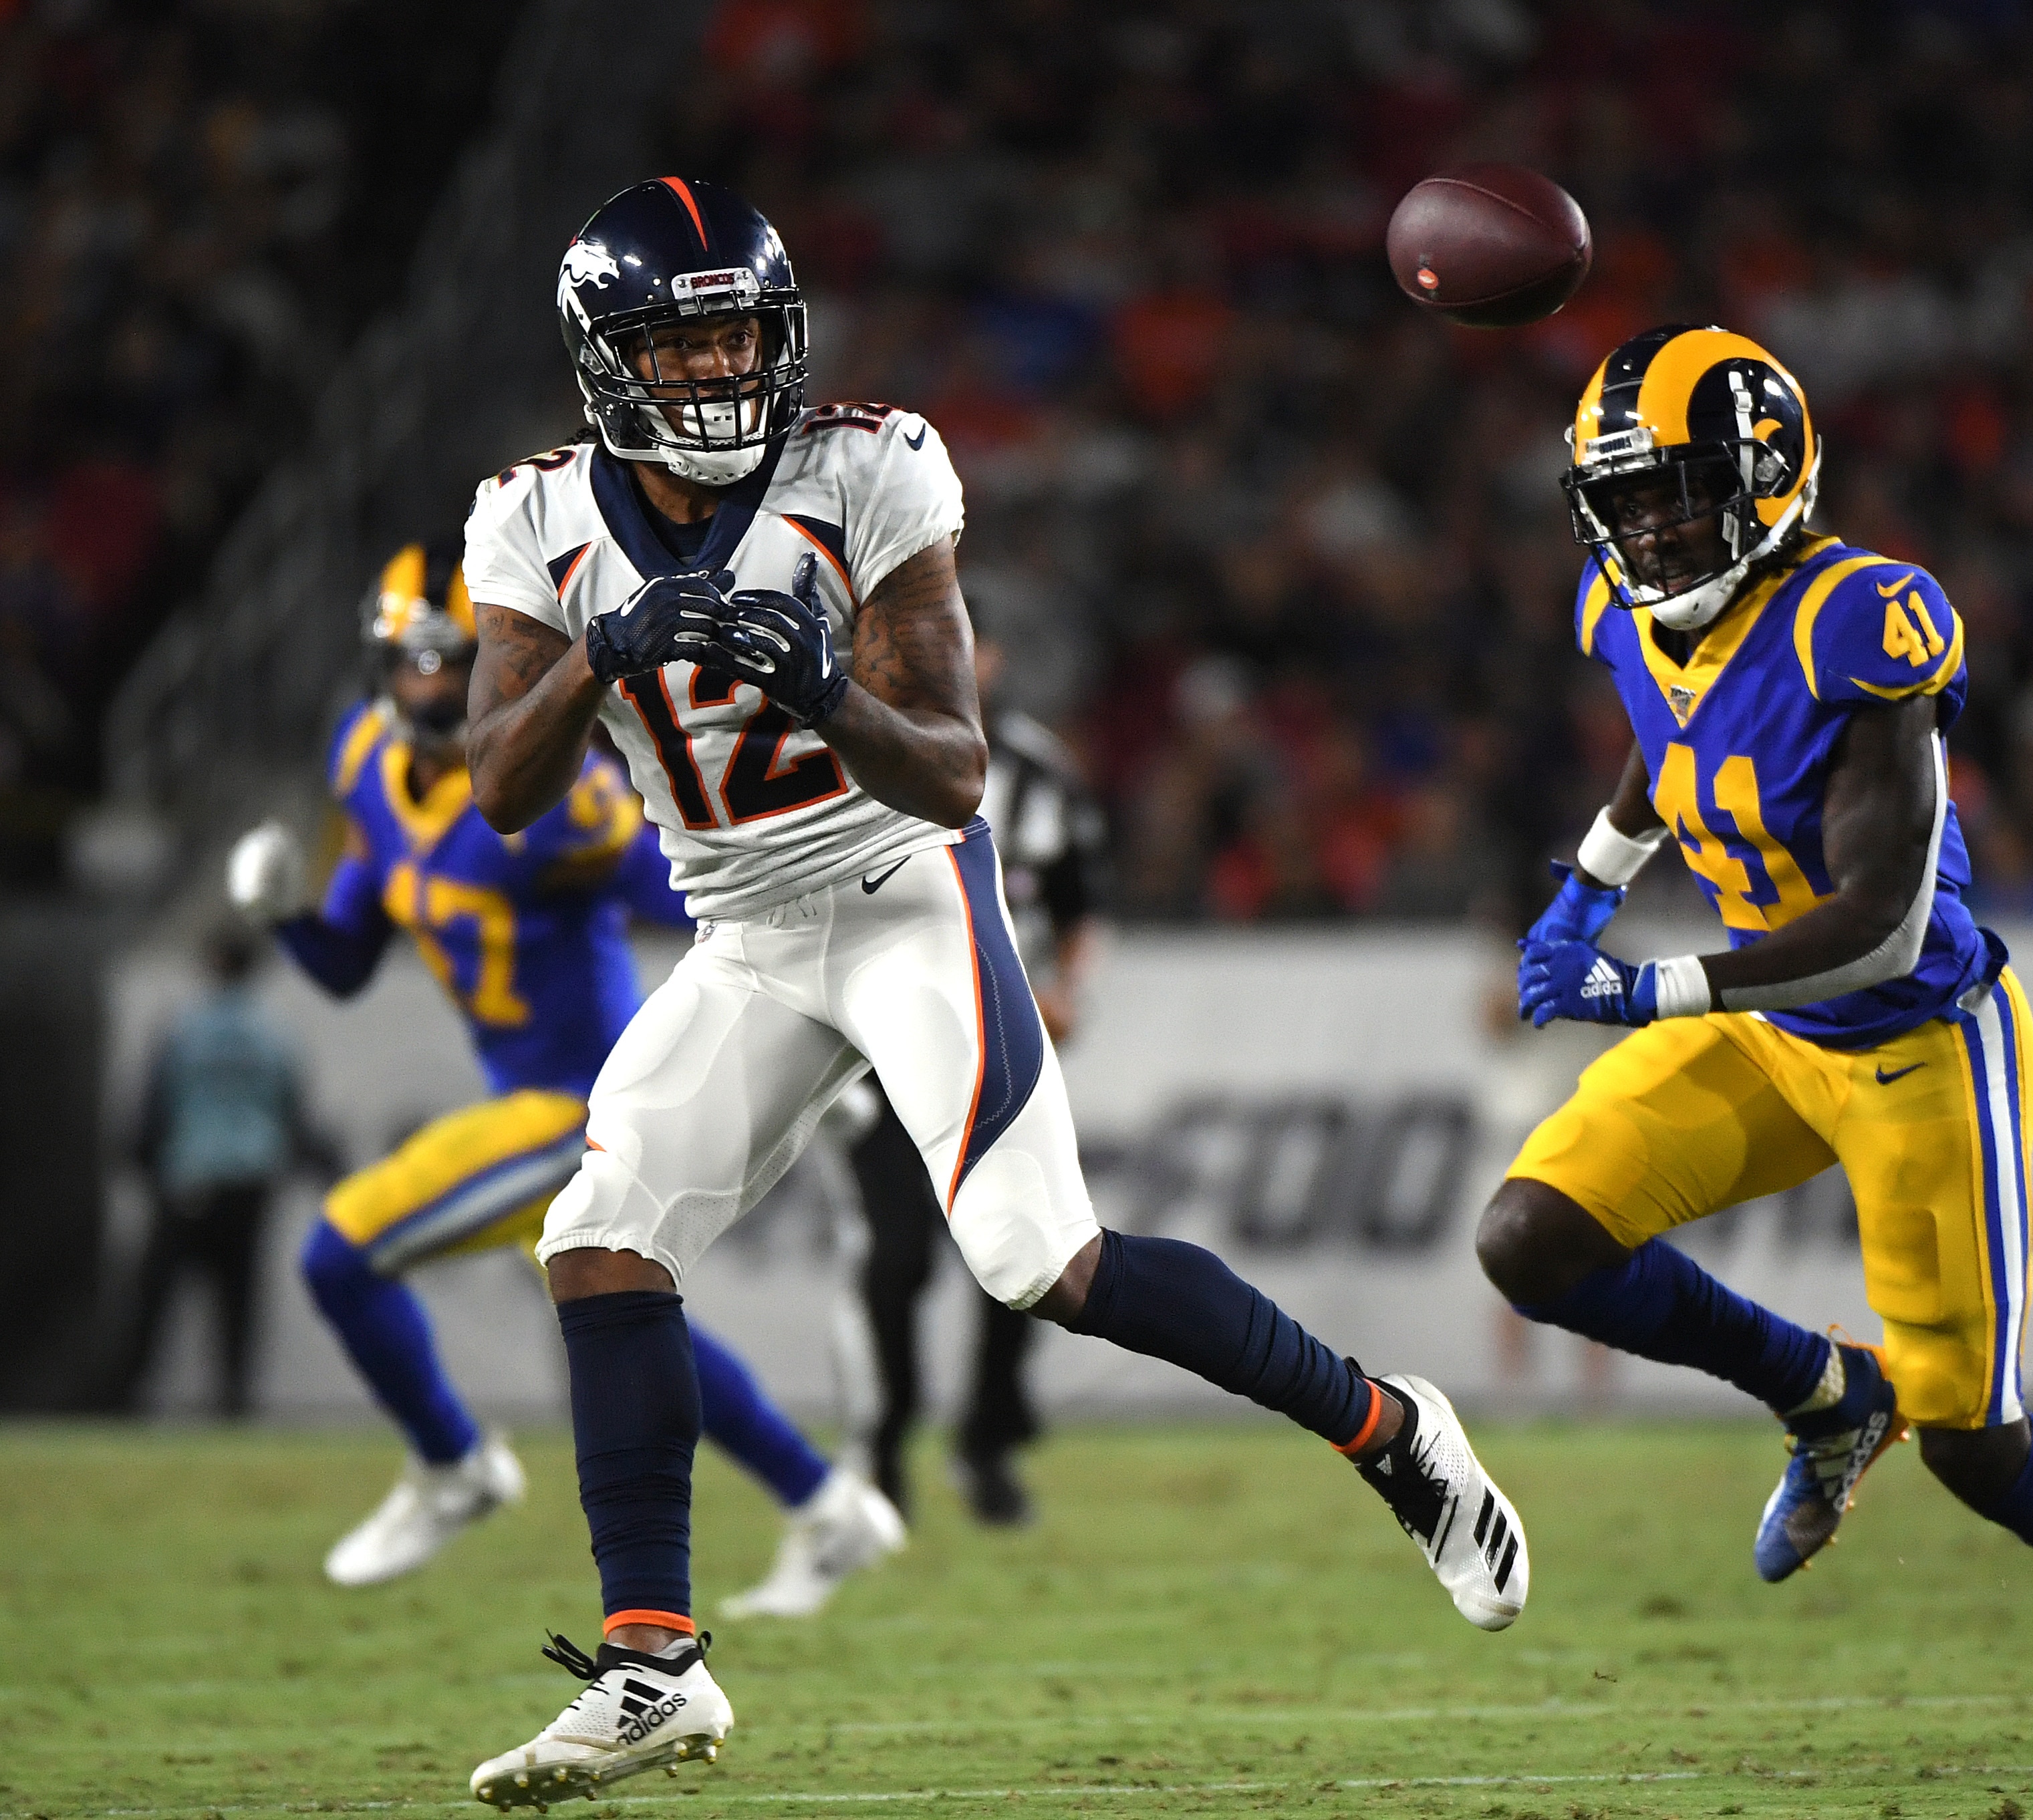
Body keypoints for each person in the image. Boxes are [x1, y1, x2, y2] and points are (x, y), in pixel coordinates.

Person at [456, 176, 1523, 1807]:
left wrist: (823, 683)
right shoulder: (533, 517)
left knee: (1037, 1258)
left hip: (894, 893)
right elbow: (501, 786)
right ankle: (653, 1666)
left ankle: (1391, 1432)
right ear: (606, 363)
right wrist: (604, 652)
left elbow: (956, 777)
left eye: (743, 335)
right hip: (741, 932)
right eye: (683, 351)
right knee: (600, 1244)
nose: (723, 374)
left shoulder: (865, 469)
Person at [1477, 326, 2033, 1745]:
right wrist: (1589, 883)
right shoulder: (1628, 610)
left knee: (1972, 1438)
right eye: (1625, 501)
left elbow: (1882, 924)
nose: (1648, 529)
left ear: (1769, 477)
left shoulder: (1863, 620)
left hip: (1910, 1036)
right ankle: (1827, 1399)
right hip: (1774, 1035)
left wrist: (1645, 984)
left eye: (1677, 493)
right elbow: (1674, 729)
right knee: (1533, 1239)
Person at [227, 535, 902, 1611]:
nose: (430, 685)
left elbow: (704, 897)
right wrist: (285, 919)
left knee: (340, 1253)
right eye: (414, 661)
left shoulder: (556, 800)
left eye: (455, 662)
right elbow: (350, 961)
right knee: (632, 1325)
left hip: (579, 1106)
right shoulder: (365, 766)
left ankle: (456, 1465)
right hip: (526, 1103)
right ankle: (829, 1507)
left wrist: (806, 1041)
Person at [855, 629, 1107, 1525]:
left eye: (973, 642)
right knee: (898, 1259)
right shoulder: (862, 744)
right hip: (885, 1040)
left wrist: (1068, 988)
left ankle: (988, 1441)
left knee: (1020, 1254)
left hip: (1000, 1039)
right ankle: (884, 1442)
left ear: (993, 655)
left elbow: (1081, 907)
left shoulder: (1042, 771)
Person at [113, 925, 325, 1417]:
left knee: (156, 1299)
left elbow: (153, 1107)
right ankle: (233, 1402)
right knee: (238, 1298)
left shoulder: (185, 1028)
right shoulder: (273, 1034)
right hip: (250, 1180)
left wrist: (143, 1165)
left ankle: (130, 1400)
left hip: (187, 1176)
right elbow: (293, 1114)